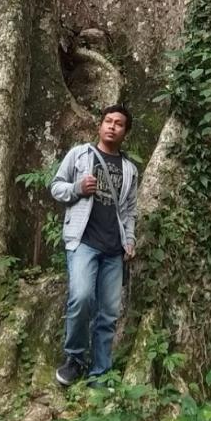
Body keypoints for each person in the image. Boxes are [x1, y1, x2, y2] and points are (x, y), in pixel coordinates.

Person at [50, 104, 138, 386]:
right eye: (108, 121)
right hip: (83, 241)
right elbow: (56, 186)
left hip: (113, 249)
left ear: (125, 132)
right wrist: (77, 188)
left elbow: (129, 210)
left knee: (109, 313)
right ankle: (74, 359)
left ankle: (100, 371)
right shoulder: (80, 155)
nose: (112, 126)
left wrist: (130, 239)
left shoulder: (129, 169)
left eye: (119, 123)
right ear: (100, 126)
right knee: (82, 297)